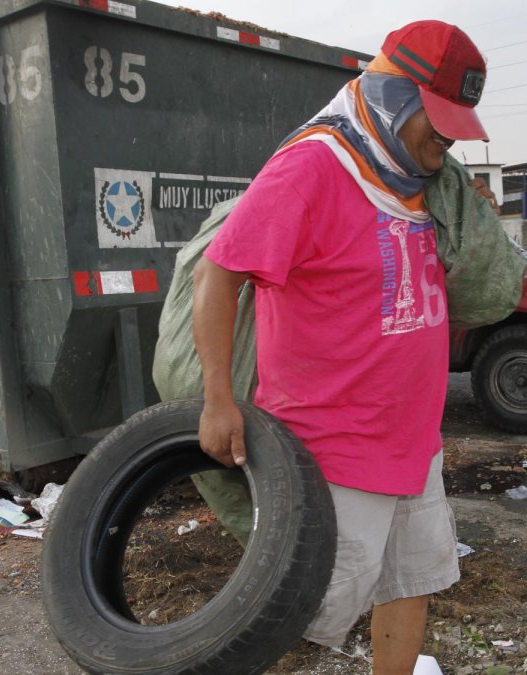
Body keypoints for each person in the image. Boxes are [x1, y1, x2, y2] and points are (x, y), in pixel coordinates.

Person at [193, 20, 494, 675]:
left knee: (409, 585)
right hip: (331, 453)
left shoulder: (420, 176)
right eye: (436, 118)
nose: (445, 136)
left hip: (412, 445)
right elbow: (217, 274)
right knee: (295, 622)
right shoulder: (314, 166)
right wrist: (218, 397)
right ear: (393, 95)